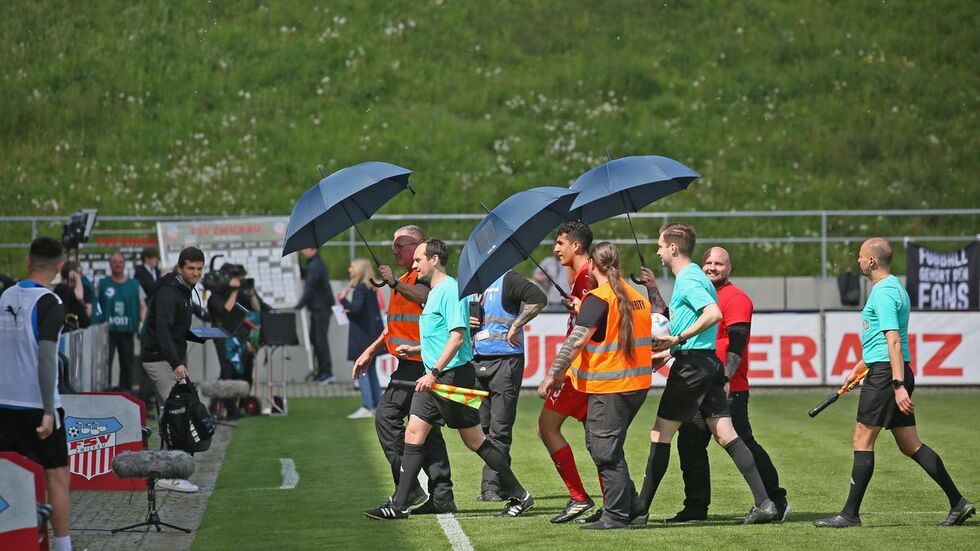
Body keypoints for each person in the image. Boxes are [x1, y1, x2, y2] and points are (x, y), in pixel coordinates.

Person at [363, 239, 533, 520]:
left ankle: (519, 494)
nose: (414, 265)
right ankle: (401, 503)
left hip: (449, 376)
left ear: (434, 260)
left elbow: (457, 337)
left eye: (418, 260)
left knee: (474, 440)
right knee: (420, 435)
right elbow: (444, 336)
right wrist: (417, 349)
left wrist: (433, 372)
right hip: (440, 375)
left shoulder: (451, 289)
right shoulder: (435, 291)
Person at [814, 238, 974, 528]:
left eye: (861, 257)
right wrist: (860, 367)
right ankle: (958, 503)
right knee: (910, 443)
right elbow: (882, 342)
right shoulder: (893, 288)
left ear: (872, 261)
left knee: (862, 438)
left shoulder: (884, 292)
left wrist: (897, 384)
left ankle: (850, 515)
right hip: (885, 370)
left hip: (889, 376)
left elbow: (894, 341)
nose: (858, 261)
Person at [633, 222, 778, 525]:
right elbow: (699, 330)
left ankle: (639, 510)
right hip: (707, 363)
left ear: (673, 248)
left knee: (660, 434)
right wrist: (667, 353)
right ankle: (765, 503)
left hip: (693, 368)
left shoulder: (688, 279)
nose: (658, 252)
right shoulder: (694, 276)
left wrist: (676, 340)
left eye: (660, 246)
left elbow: (713, 314)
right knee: (727, 435)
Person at [539, 242, 654, 530]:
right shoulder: (636, 296)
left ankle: (616, 516)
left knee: (604, 451)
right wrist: (584, 308)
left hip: (610, 386)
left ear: (591, 265)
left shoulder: (598, 299)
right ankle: (634, 507)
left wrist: (553, 375)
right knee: (603, 445)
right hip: (636, 385)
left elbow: (576, 340)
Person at [352, 225, 454, 514]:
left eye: (402, 244)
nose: (395, 249)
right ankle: (442, 495)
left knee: (387, 416)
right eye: (393, 244)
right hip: (408, 363)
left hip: (421, 365)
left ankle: (408, 490)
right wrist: (372, 350)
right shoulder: (406, 279)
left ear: (421, 246)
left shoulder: (421, 278)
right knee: (427, 430)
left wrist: (395, 283)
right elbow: (395, 326)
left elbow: (423, 296)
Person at [0, 237, 73, 551]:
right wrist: (47, 409)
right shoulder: (51, 304)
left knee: (7, 476)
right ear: (59, 267)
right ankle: (62, 545)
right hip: (36, 403)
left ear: (28, 260)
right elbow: (46, 358)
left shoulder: (4, 296)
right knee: (56, 476)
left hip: (4, 402)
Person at [535, 220, 601, 523]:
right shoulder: (585, 276)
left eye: (560, 242)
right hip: (590, 369)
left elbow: (590, 327)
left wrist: (557, 371)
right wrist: (578, 305)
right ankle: (615, 501)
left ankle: (579, 496)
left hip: (580, 370)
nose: (555, 248)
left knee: (546, 427)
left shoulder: (587, 275)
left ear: (576, 245)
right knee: (598, 439)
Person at [471, 269, 546, 500]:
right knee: (482, 428)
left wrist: (516, 324)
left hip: (505, 360)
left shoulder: (509, 279)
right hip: (476, 359)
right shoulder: (471, 285)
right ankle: (503, 478)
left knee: (499, 428)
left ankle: (491, 486)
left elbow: (538, 298)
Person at [140, 246, 207, 493]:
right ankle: (169, 475)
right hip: (160, 358)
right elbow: (163, 331)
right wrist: (177, 363)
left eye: (199, 269)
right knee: (176, 413)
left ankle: (173, 470)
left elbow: (176, 328)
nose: (195, 273)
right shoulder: (170, 292)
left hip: (170, 356)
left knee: (180, 411)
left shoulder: (184, 289)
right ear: (180, 267)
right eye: (191, 268)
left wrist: (200, 335)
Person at [340, 258, 385, 419]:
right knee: (371, 371)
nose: (349, 269)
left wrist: (343, 300)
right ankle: (377, 406)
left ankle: (367, 405)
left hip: (362, 337)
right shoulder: (371, 288)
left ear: (358, 270)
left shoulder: (360, 288)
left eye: (352, 267)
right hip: (372, 336)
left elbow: (356, 308)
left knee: (361, 370)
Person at [96, 252, 147, 392]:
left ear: (124, 264)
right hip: (108, 332)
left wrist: (143, 326)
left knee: (127, 363)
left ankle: (126, 392)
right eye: (114, 262)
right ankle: (104, 390)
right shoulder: (103, 284)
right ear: (110, 265)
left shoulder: (134, 285)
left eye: (120, 262)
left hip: (127, 330)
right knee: (106, 363)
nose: (117, 264)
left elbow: (143, 305)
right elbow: (96, 306)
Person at [296, 247, 335, 384]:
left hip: (321, 308)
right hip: (317, 308)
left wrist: (298, 305)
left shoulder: (315, 265)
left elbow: (310, 288)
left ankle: (327, 372)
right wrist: (296, 264)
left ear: (314, 250)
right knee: (315, 339)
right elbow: (306, 276)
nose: (302, 251)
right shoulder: (313, 264)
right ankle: (321, 371)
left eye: (305, 249)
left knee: (320, 340)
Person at [52, 260, 93, 332]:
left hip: (81, 329)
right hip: (66, 329)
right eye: (77, 273)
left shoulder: (85, 289)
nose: (80, 276)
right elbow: (79, 296)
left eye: (80, 273)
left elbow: (88, 312)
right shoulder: (61, 289)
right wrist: (76, 278)